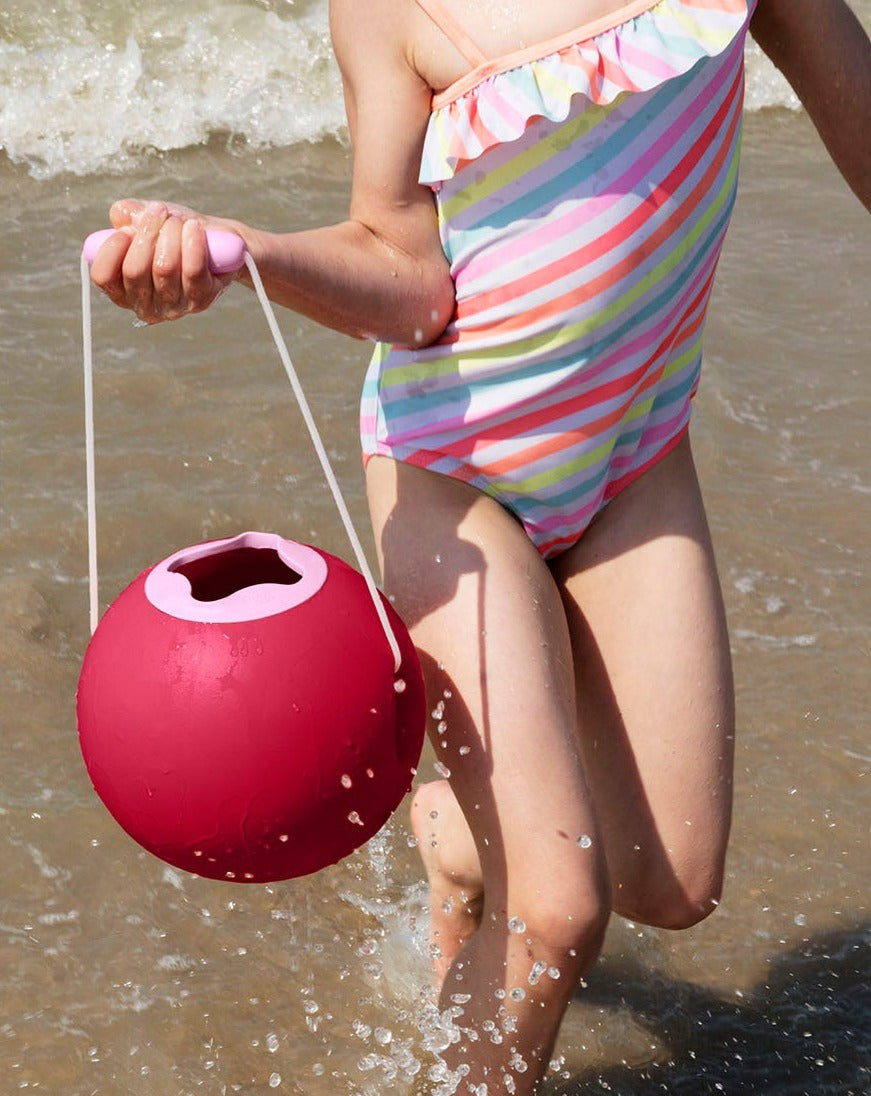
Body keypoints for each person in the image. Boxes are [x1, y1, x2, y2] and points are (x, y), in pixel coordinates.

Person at [90, 1, 871, 1091]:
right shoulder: (389, 12)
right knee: (556, 913)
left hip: (632, 454)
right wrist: (245, 254)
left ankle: (458, 834)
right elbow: (407, 277)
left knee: (676, 883)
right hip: (453, 477)